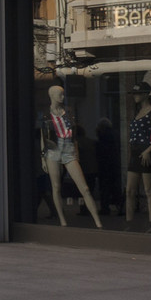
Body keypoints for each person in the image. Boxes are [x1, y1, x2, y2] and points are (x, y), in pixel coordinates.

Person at [39, 85, 103, 229]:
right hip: (53, 150)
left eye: (62, 94)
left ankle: (98, 222)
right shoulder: (46, 114)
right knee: (56, 187)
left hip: (68, 149)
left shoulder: (68, 112)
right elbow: (44, 136)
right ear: (52, 96)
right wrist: (43, 156)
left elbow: (74, 135)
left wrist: (76, 153)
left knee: (85, 188)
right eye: (59, 94)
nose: (62, 97)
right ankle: (62, 221)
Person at [125, 85, 151, 231]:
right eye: (134, 93)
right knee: (130, 190)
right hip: (136, 152)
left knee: (149, 189)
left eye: (138, 93)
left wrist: (148, 150)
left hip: (147, 151)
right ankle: (129, 221)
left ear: (145, 94)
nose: (135, 96)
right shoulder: (137, 112)